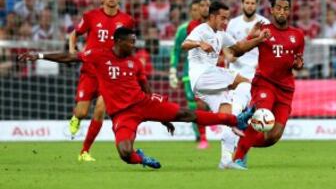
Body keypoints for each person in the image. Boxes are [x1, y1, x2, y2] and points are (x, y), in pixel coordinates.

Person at [18, 27, 253, 169]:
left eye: (134, 41)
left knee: (185, 114)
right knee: (124, 152)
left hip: (144, 103)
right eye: (131, 41)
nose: (134, 44)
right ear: (118, 42)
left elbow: (146, 89)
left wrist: (162, 117)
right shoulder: (98, 55)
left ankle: (236, 121)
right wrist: (38, 55)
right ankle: (141, 158)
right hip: (122, 113)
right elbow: (69, 58)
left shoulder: (135, 62)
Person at [182, 0, 270, 169]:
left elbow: (238, 49)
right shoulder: (201, 29)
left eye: (227, 18)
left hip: (209, 84)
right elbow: (184, 44)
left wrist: (257, 38)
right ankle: (239, 119)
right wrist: (199, 43)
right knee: (246, 82)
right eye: (222, 18)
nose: (225, 22)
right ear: (213, 16)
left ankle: (225, 161)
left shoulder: (221, 34)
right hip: (203, 75)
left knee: (227, 117)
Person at [232, 0, 305, 170]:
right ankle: (237, 159)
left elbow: (298, 63)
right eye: (278, 8)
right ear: (272, 10)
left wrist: (299, 64)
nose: (282, 11)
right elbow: (238, 51)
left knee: (273, 136)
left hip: (286, 89)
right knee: (261, 116)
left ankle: (241, 143)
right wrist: (255, 37)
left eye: (286, 8)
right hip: (265, 83)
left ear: (289, 12)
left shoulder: (298, 35)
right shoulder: (264, 30)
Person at [67, 0, 134, 162]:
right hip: (89, 71)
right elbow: (74, 33)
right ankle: (76, 118)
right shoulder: (90, 16)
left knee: (99, 110)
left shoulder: (127, 20)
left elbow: (128, 45)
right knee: (82, 112)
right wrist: (72, 51)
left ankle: (84, 151)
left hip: (110, 75)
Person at [221, 0, 270, 169]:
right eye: (247, 3)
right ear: (242, 4)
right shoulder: (233, 24)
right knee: (235, 114)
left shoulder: (265, 23)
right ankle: (227, 156)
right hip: (236, 77)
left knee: (251, 118)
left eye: (252, 3)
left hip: (257, 76)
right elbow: (225, 47)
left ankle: (239, 154)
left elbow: (270, 49)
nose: (249, 6)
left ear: (257, 4)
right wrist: (229, 57)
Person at [169, 0, 210, 148]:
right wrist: (173, 69)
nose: (196, 12)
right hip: (189, 74)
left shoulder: (209, 28)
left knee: (206, 104)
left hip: (208, 71)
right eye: (193, 9)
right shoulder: (183, 29)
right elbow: (176, 50)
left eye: (197, 9)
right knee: (194, 104)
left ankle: (206, 131)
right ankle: (200, 136)